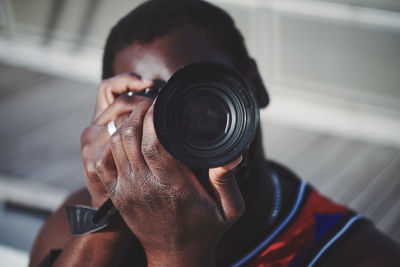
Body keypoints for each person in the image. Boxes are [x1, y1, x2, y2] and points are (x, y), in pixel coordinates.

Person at [29, 0, 400, 266]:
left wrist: (175, 252)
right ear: (115, 119)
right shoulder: (78, 220)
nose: (179, 122)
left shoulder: (356, 254)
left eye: (202, 92)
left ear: (254, 86)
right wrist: (108, 217)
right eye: (148, 103)